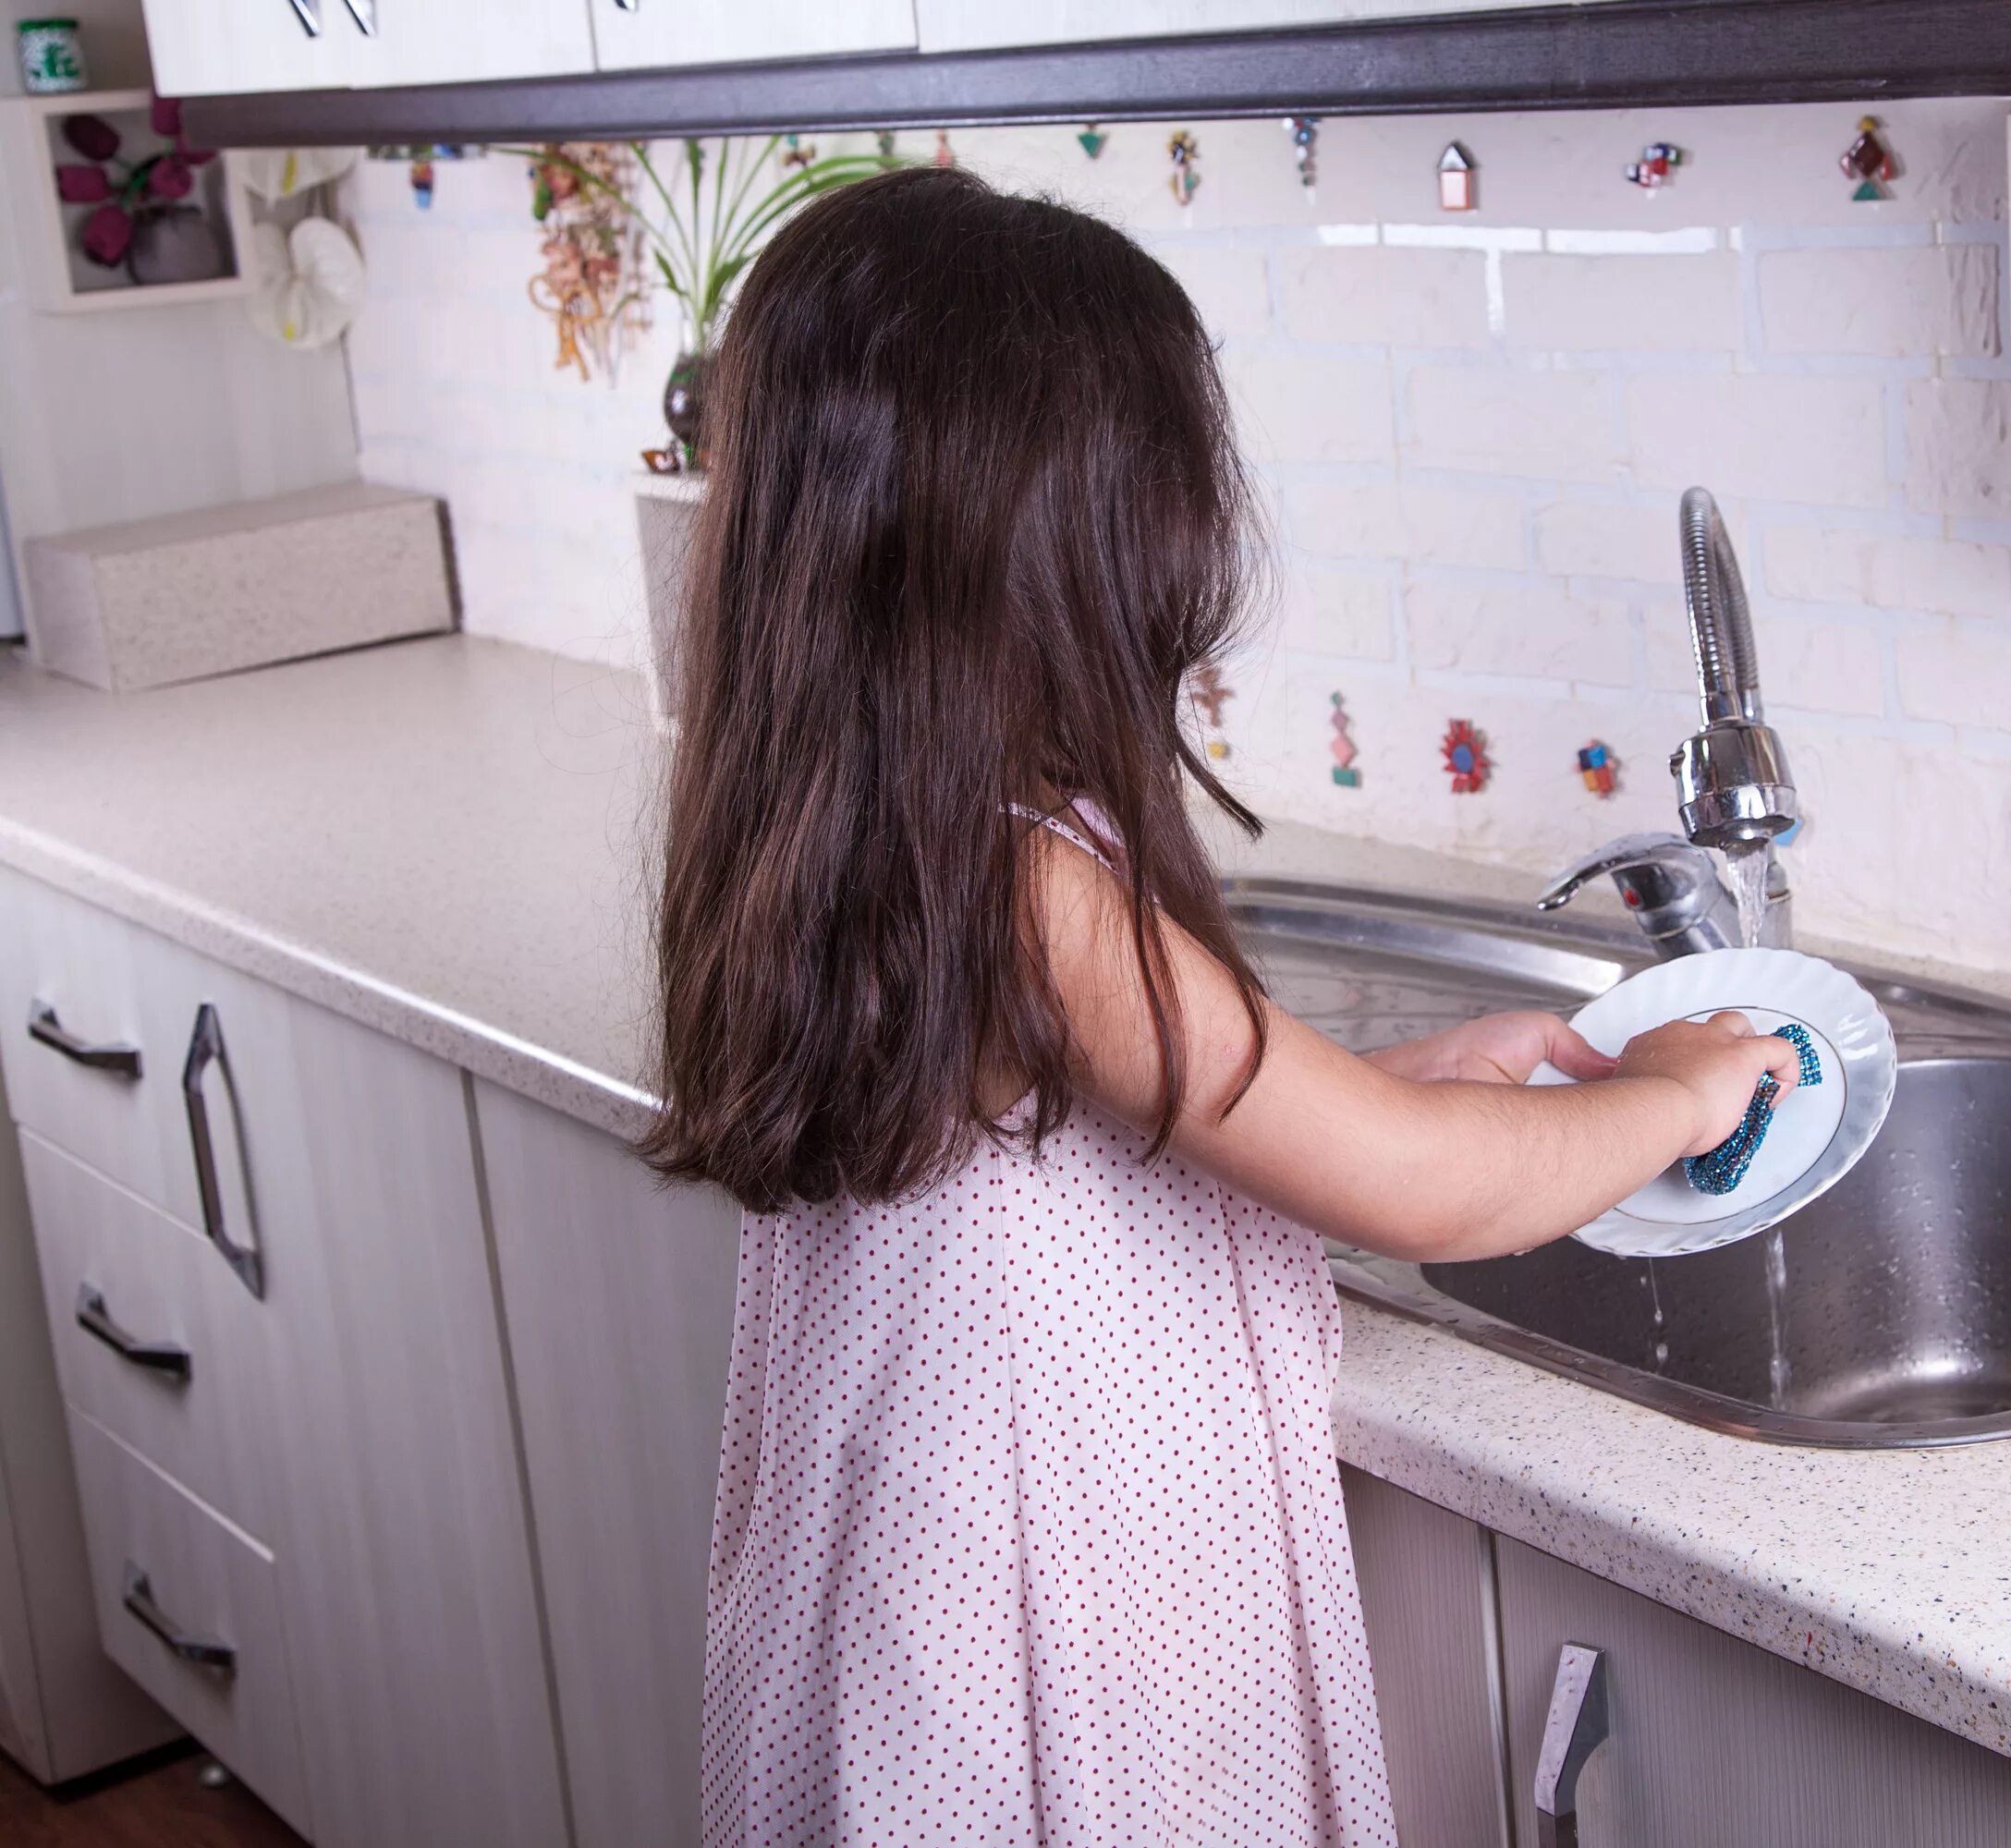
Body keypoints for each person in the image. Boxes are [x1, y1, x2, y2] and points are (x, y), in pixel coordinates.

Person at [645, 164, 1798, 1848]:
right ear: (1058, 537)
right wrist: (1682, 1092)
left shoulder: (860, 825)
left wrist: (1404, 1077)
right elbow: (1411, 1190)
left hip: (913, 1628)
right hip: (1055, 1654)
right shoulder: (1034, 882)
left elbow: (1084, 1151)